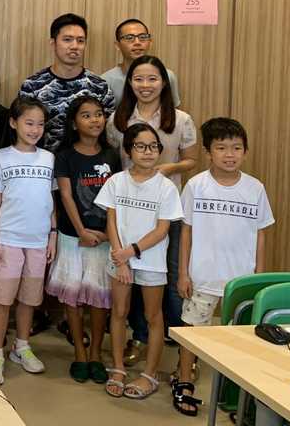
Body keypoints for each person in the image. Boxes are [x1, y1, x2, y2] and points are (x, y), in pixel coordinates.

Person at [173, 118, 274, 416]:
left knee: (240, 335)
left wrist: (260, 278)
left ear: (245, 151)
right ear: (208, 152)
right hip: (202, 276)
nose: (230, 154)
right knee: (192, 331)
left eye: (236, 148)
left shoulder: (255, 188)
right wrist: (183, 272)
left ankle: (236, 392)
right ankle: (184, 379)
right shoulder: (196, 185)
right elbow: (187, 232)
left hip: (240, 280)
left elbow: (261, 233)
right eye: (221, 148)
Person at [106, 55, 198, 349]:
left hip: (166, 210)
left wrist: (168, 168)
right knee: (127, 276)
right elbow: (112, 160)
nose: (145, 85)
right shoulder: (117, 120)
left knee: (169, 276)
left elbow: (192, 161)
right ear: (130, 83)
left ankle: (174, 339)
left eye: (152, 79)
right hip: (127, 210)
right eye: (138, 79)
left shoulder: (181, 119)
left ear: (164, 83)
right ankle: (139, 337)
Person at [94, 124, 183, 400]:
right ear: (128, 150)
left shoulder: (166, 187)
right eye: (141, 146)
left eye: (153, 146)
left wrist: (130, 251)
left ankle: (149, 374)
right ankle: (119, 368)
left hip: (150, 260)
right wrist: (121, 259)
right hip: (119, 259)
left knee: (153, 316)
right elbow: (111, 220)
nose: (148, 152)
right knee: (119, 313)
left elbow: (162, 230)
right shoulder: (116, 181)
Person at [45, 96, 121, 385]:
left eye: (99, 114)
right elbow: (65, 196)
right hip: (72, 237)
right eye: (87, 116)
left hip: (105, 238)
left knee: (100, 300)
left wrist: (107, 234)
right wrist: (82, 231)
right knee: (74, 298)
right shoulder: (64, 155)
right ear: (75, 123)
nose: (95, 120)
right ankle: (79, 351)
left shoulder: (112, 156)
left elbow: (117, 198)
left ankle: (96, 355)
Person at [0, 96, 56, 383]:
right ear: (14, 123)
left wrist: (52, 235)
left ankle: (22, 346)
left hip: (38, 241)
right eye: (29, 123)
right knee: (2, 299)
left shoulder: (48, 158)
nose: (35, 129)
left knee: (29, 298)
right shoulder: (0, 157)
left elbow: (52, 201)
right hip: (7, 239)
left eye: (40, 124)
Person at [18, 13, 114, 154]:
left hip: (86, 168)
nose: (75, 46)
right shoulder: (32, 86)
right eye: (67, 40)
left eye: (80, 41)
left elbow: (108, 133)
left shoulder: (100, 86)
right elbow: (22, 132)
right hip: (42, 166)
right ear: (53, 43)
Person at [102, 19, 181, 109]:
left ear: (150, 42)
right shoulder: (106, 81)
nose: (137, 42)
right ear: (117, 45)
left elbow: (174, 113)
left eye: (143, 37)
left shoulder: (167, 76)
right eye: (129, 38)